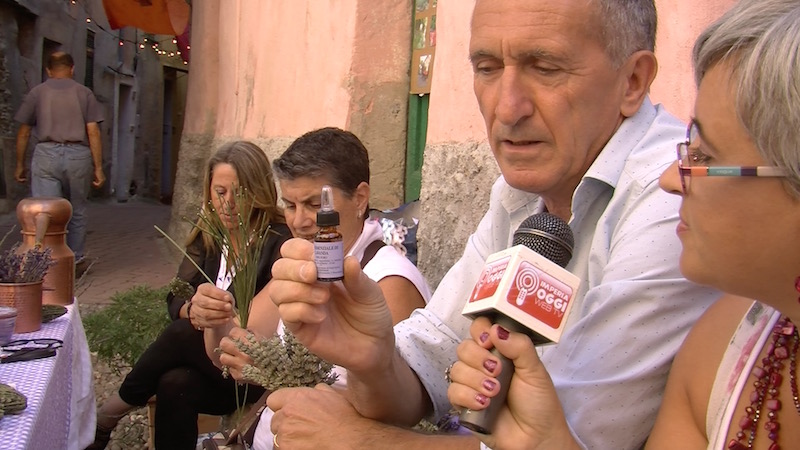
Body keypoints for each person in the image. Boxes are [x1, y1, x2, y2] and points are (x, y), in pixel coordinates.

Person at [265, 1, 721, 449]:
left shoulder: (676, 198)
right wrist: (371, 359)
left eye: (545, 68)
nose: (506, 108)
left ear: (633, 80)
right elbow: (431, 359)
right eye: (487, 68)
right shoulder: (519, 192)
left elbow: (566, 438)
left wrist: (363, 442)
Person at [447, 1, 800, 449]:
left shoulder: (658, 208)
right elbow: (430, 346)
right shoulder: (723, 348)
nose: (673, 178)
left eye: (704, 156)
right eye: (487, 68)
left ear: (633, 80)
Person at [196, 127, 432, 449]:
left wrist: (271, 370)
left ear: (360, 198)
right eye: (290, 206)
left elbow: (392, 410)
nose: (299, 221)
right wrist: (215, 317)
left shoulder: (391, 281)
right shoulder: (303, 266)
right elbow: (228, 348)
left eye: (314, 204)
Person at [87, 141, 291, 450]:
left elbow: (264, 327)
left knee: (183, 333)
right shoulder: (209, 232)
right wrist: (192, 310)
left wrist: (208, 320)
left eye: (239, 194)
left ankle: (108, 415)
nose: (228, 204)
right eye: (220, 192)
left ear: (258, 192)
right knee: (174, 382)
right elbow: (174, 297)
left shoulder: (277, 241)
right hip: (208, 366)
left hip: (251, 371)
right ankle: (108, 418)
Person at [14, 51, 106, 265]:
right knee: (77, 209)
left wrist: (19, 164)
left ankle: (46, 259)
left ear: (48, 70)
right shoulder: (84, 93)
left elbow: (24, 132)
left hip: (46, 154)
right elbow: (93, 131)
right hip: (78, 156)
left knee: (46, 210)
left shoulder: (37, 93)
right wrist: (98, 167)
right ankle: (75, 259)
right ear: (72, 68)